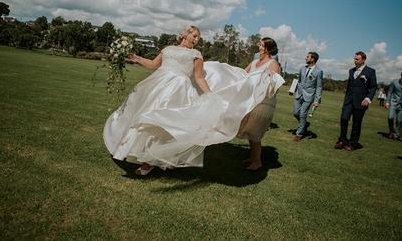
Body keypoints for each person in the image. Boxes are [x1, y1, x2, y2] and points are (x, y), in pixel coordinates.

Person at [104, 25, 284, 175]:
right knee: (143, 119)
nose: (197, 39)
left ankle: (150, 162)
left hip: (178, 90)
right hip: (157, 86)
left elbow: (199, 78)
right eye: (195, 35)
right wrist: (136, 58)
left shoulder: (196, 54)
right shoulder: (167, 49)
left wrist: (210, 96)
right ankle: (133, 151)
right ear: (185, 34)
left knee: (165, 124)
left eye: (198, 37)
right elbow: (153, 65)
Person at [237, 37, 282, 171]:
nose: (259, 47)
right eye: (260, 45)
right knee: (250, 130)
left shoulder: (273, 63)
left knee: (255, 131)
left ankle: (257, 162)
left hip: (263, 102)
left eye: (262, 45)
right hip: (250, 100)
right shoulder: (255, 62)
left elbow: (275, 85)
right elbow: (241, 75)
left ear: (268, 48)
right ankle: (252, 157)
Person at [335, 51, 377, 151]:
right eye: (354, 58)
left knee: (356, 123)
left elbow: (373, 87)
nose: (355, 60)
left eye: (357, 59)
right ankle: (343, 139)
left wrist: (367, 99)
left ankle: (353, 143)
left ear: (363, 60)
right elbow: (350, 85)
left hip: (361, 102)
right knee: (344, 119)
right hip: (348, 101)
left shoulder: (370, 71)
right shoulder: (351, 71)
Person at [292, 52, 323, 142]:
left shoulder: (319, 71)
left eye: (307, 57)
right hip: (299, 94)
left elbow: (319, 86)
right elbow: (299, 81)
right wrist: (292, 89)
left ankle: (299, 133)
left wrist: (317, 100)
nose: (305, 58)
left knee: (302, 114)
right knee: (295, 113)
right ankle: (304, 124)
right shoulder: (302, 68)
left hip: (309, 96)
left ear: (312, 59)